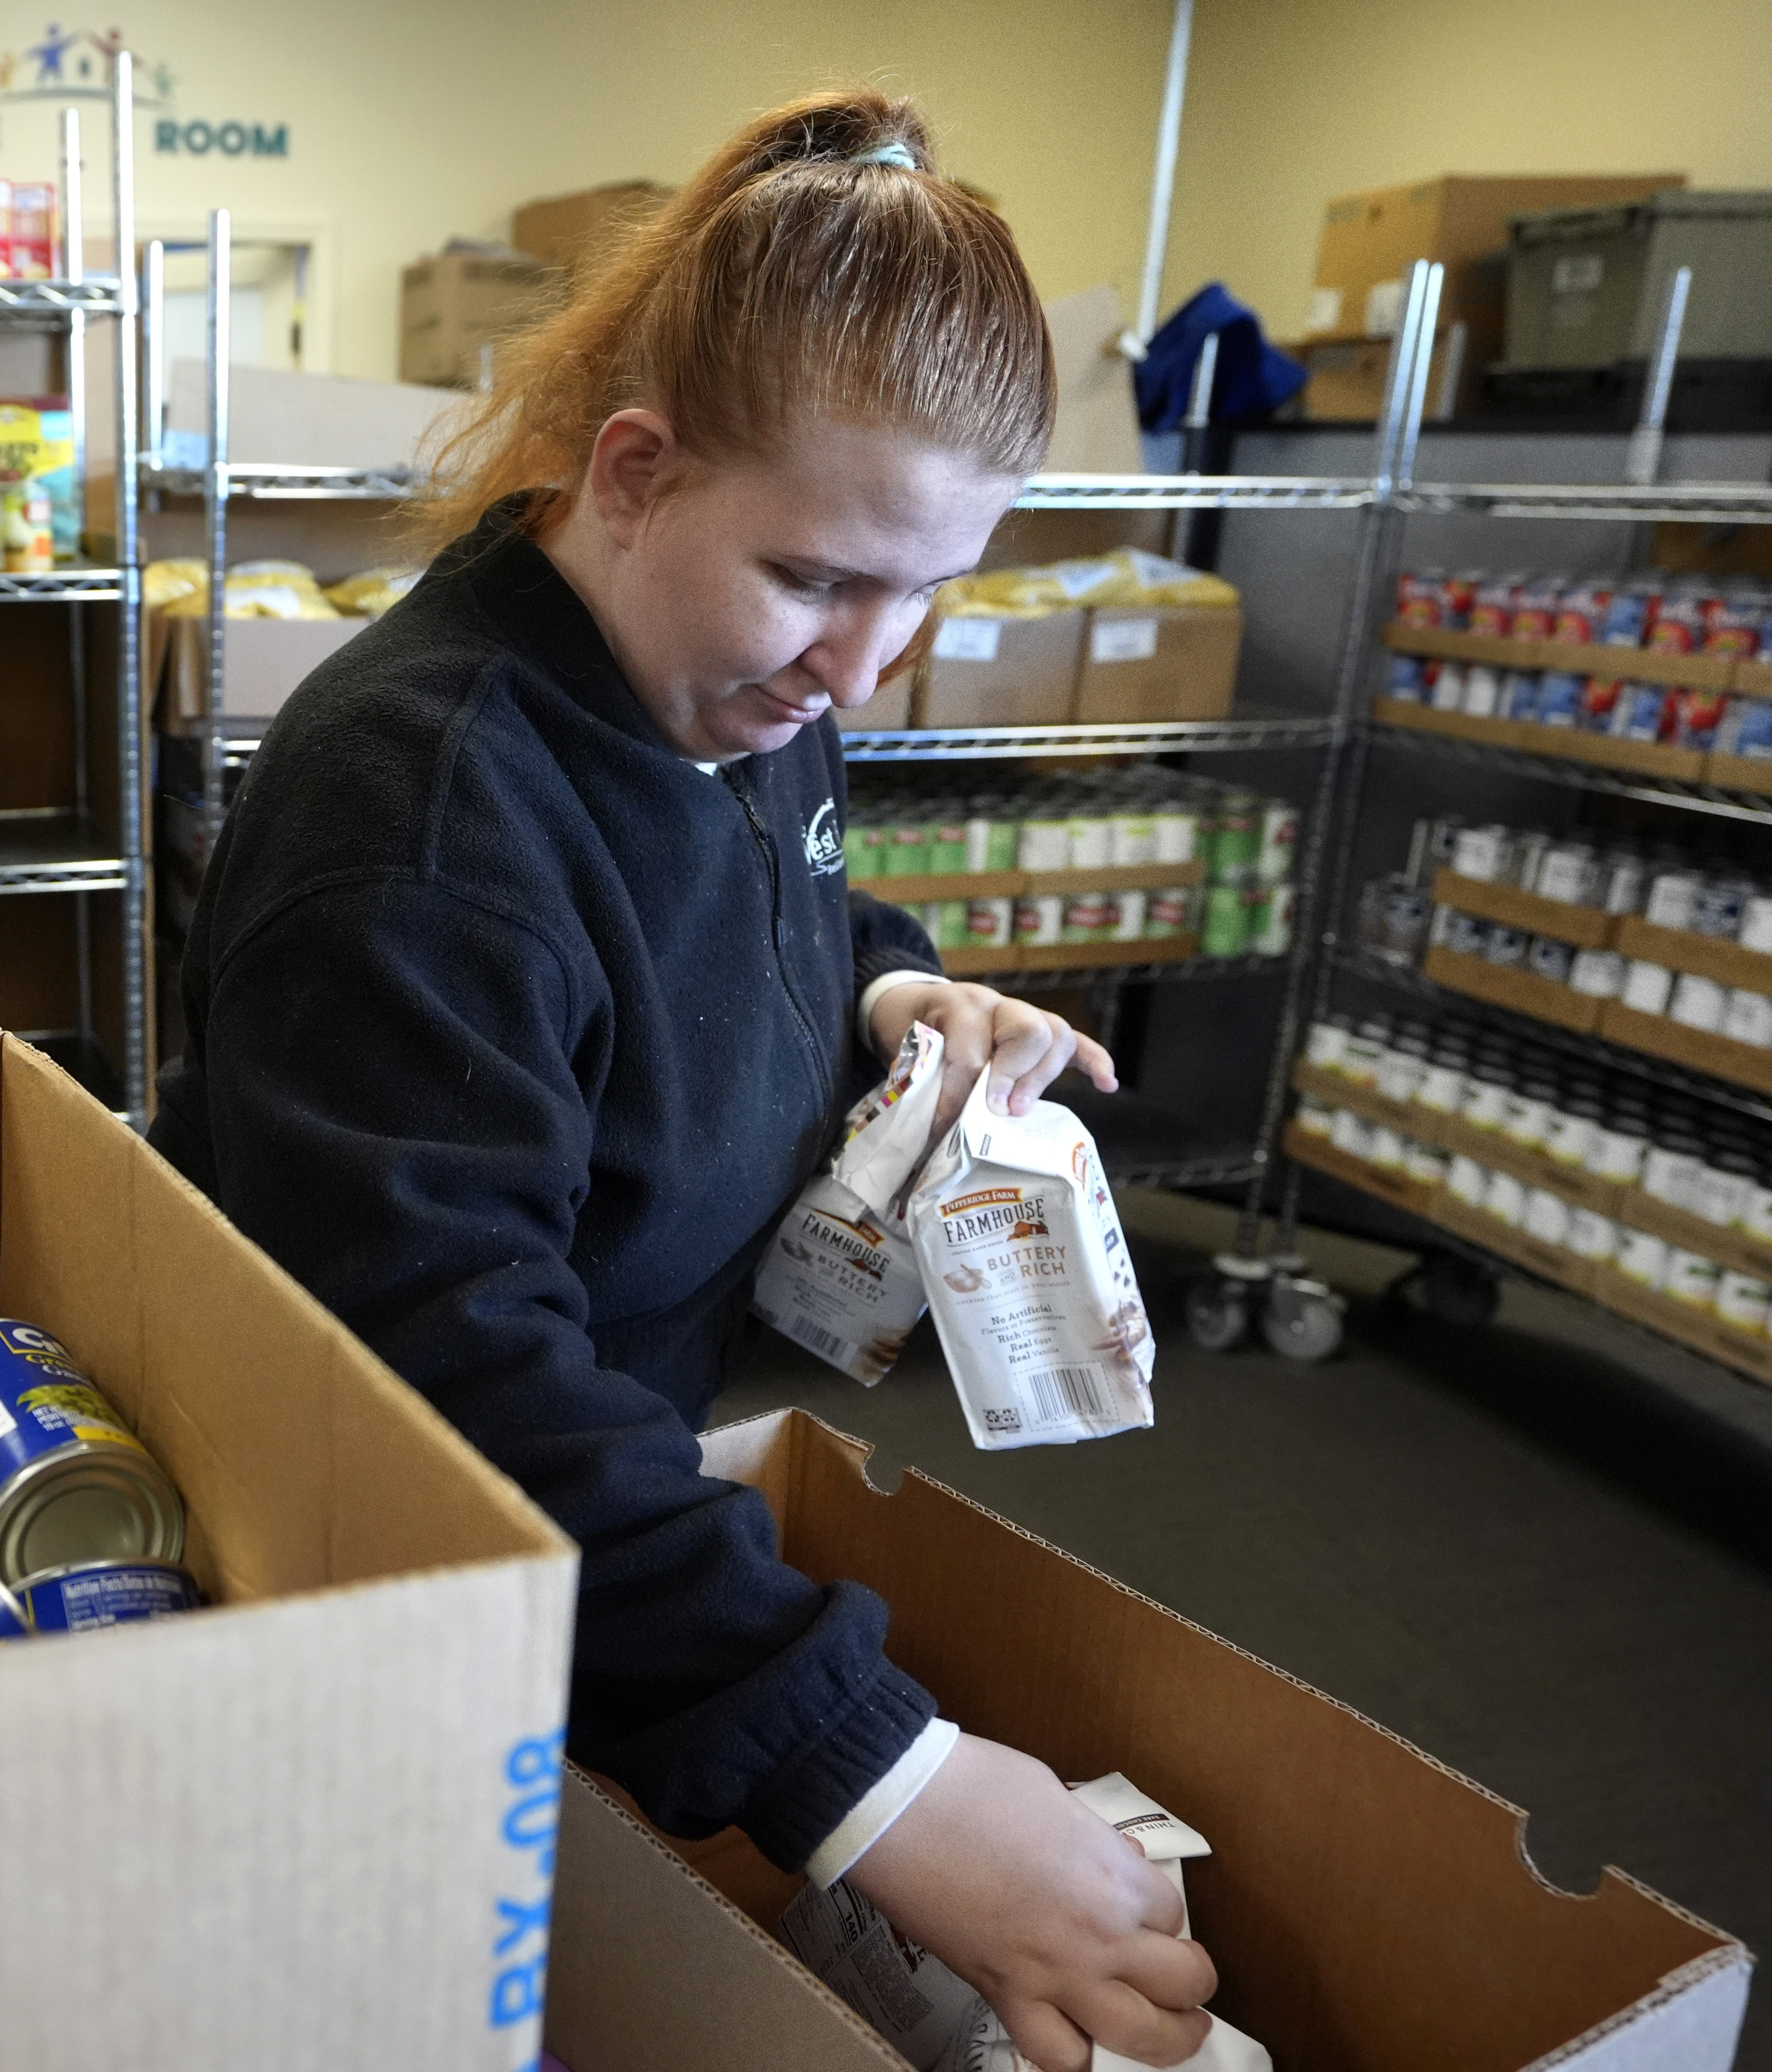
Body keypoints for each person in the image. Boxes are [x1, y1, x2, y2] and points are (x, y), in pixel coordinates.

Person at [150, 92, 1218, 2072]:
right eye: (824, 580)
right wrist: (878, 1779)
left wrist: (896, 1002)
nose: (869, 665)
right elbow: (444, 1392)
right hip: (361, 1602)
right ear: (632, 471)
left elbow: (772, 912)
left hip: (576, 1566)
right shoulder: (427, 816)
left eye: (933, 592)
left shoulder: (727, 683)